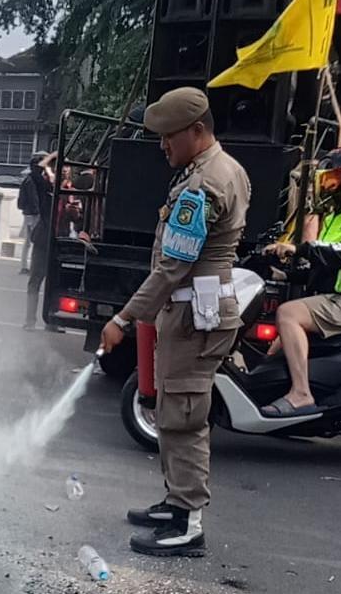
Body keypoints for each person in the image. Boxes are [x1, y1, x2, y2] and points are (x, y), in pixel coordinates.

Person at [100, 88, 251, 556]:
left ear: (197, 130)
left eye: (169, 136)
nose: (162, 145)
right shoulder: (220, 169)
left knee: (183, 416)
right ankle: (176, 502)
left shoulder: (204, 185)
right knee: (171, 408)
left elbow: (172, 266)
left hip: (194, 316)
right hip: (191, 312)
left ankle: (188, 523)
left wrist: (124, 317)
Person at [263, 146, 341, 416]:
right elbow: (325, 264)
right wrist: (283, 274)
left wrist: (298, 248)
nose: (327, 185)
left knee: (288, 314)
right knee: (275, 352)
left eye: (334, 178)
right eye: (326, 179)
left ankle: (301, 395)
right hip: (335, 299)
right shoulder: (335, 215)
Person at [23, 150, 57, 331]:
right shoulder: (46, 187)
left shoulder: (66, 191)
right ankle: (31, 320)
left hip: (56, 241)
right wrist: (52, 156)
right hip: (45, 239)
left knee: (53, 283)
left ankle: (51, 320)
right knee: (36, 280)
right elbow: (37, 169)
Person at [16, 153, 43, 275]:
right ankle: (32, 266)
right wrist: (38, 212)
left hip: (27, 213)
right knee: (35, 241)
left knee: (27, 241)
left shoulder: (27, 180)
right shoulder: (33, 181)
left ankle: (24, 266)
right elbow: (34, 199)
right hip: (34, 214)